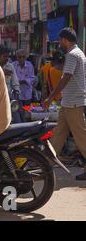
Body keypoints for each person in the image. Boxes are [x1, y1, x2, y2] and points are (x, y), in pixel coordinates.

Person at [44, 28, 86, 181]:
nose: (59, 43)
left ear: (66, 40)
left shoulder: (73, 55)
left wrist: (50, 97)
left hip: (74, 102)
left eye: (60, 40)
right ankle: (45, 164)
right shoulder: (77, 53)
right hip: (69, 102)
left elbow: (66, 78)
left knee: (81, 138)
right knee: (58, 135)